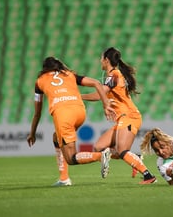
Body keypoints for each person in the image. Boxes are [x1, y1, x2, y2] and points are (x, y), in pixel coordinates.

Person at [27, 56, 116, 186]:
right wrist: (105, 104)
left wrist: (32, 133)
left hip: (63, 115)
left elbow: (37, 113)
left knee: (71, 158)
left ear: (44, 69)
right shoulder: (70, 74)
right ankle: (64, 178)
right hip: (80, 111)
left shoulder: (39, 81)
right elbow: (96, 83)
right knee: (56, 138)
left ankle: (99, 156)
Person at [82, 47, 157, 184]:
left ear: (106, 60)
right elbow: (102, 95)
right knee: (99, 148)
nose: (100, 61)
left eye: (101, 58)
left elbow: (101, 93)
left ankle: (149, 176)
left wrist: (78, 96)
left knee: (122, 150)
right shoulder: (113, 75)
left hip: (129, 116)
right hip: (123, 117)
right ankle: (135, 158)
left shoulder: (114, 75)